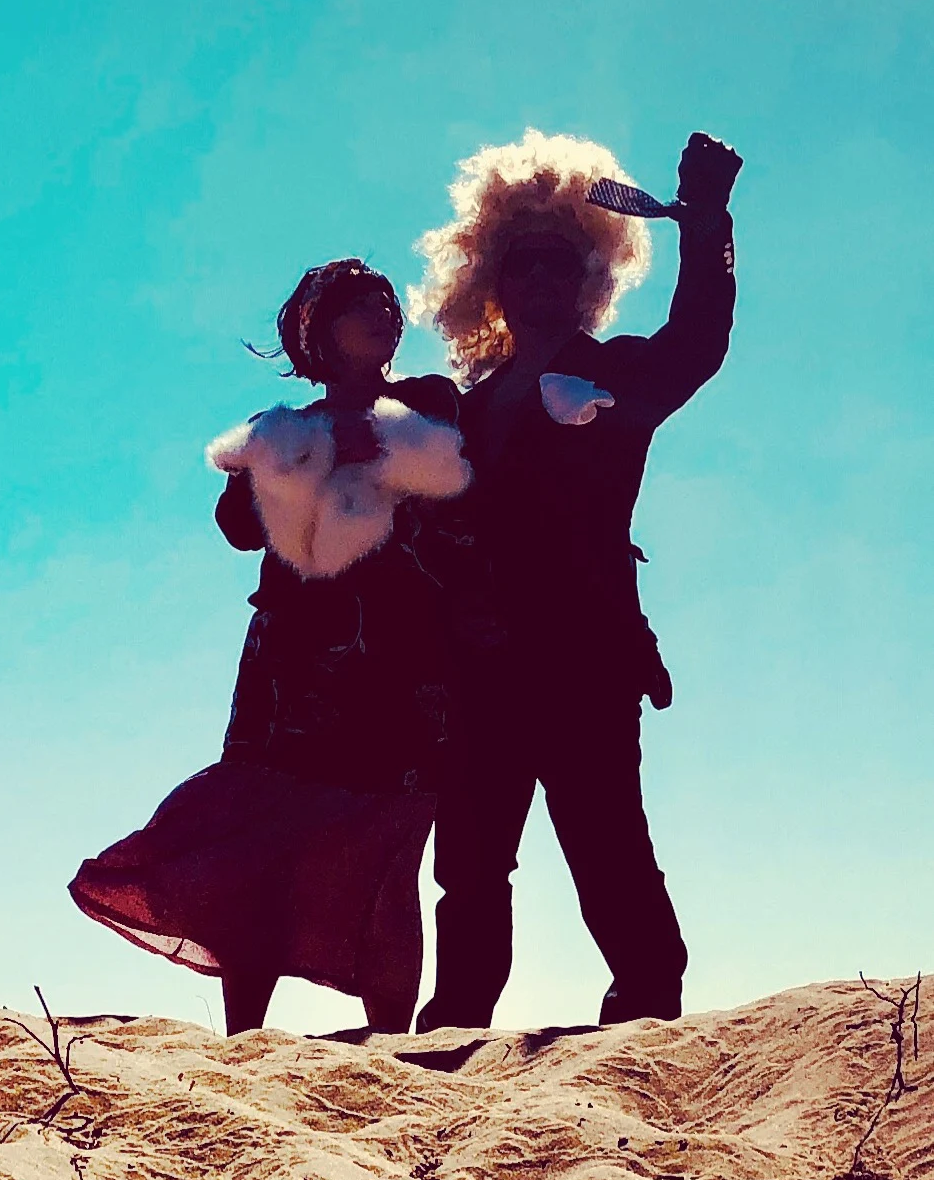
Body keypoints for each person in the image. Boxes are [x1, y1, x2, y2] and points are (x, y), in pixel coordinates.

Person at [70, 260, 474, 1034]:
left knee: (389, 848)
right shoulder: (282, 427)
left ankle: (391, 1042)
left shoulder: (427, 402)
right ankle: (244, 1041)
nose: (385, 314)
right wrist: (298, 460)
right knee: (259, 847)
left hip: (403, 659)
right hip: (293, 667)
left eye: (389, 302)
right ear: (318, 332)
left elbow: (460, 487)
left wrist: (378, 448)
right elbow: (236, 528)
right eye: (363, 305)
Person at [411, 129, 742, 1029]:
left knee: (605, 841)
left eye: (561, 265)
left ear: (589, 277)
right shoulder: (464, 411)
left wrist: (706, 225)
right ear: (495, 282)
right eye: (524, 266)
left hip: (587, 653)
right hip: (479, 666)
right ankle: (457, 1018)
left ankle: (645, 1007)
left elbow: (699, 341)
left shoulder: (619, 375)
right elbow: (424, 524)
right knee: (471, 859)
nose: (543, 282)